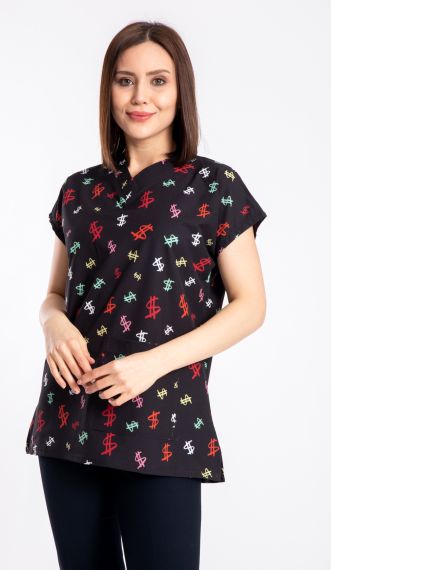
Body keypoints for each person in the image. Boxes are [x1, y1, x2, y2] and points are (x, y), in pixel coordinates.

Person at [25, 20, 267, 570]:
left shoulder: (215, 187)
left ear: (181, 91)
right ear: (108, 90)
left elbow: (251, 305)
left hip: (163, 426)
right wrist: (51, 322)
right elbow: (55, 293)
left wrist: (150, 365)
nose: (140, 97)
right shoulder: (78, 190)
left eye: (158, 81)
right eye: (125, 80)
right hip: (68, 420)